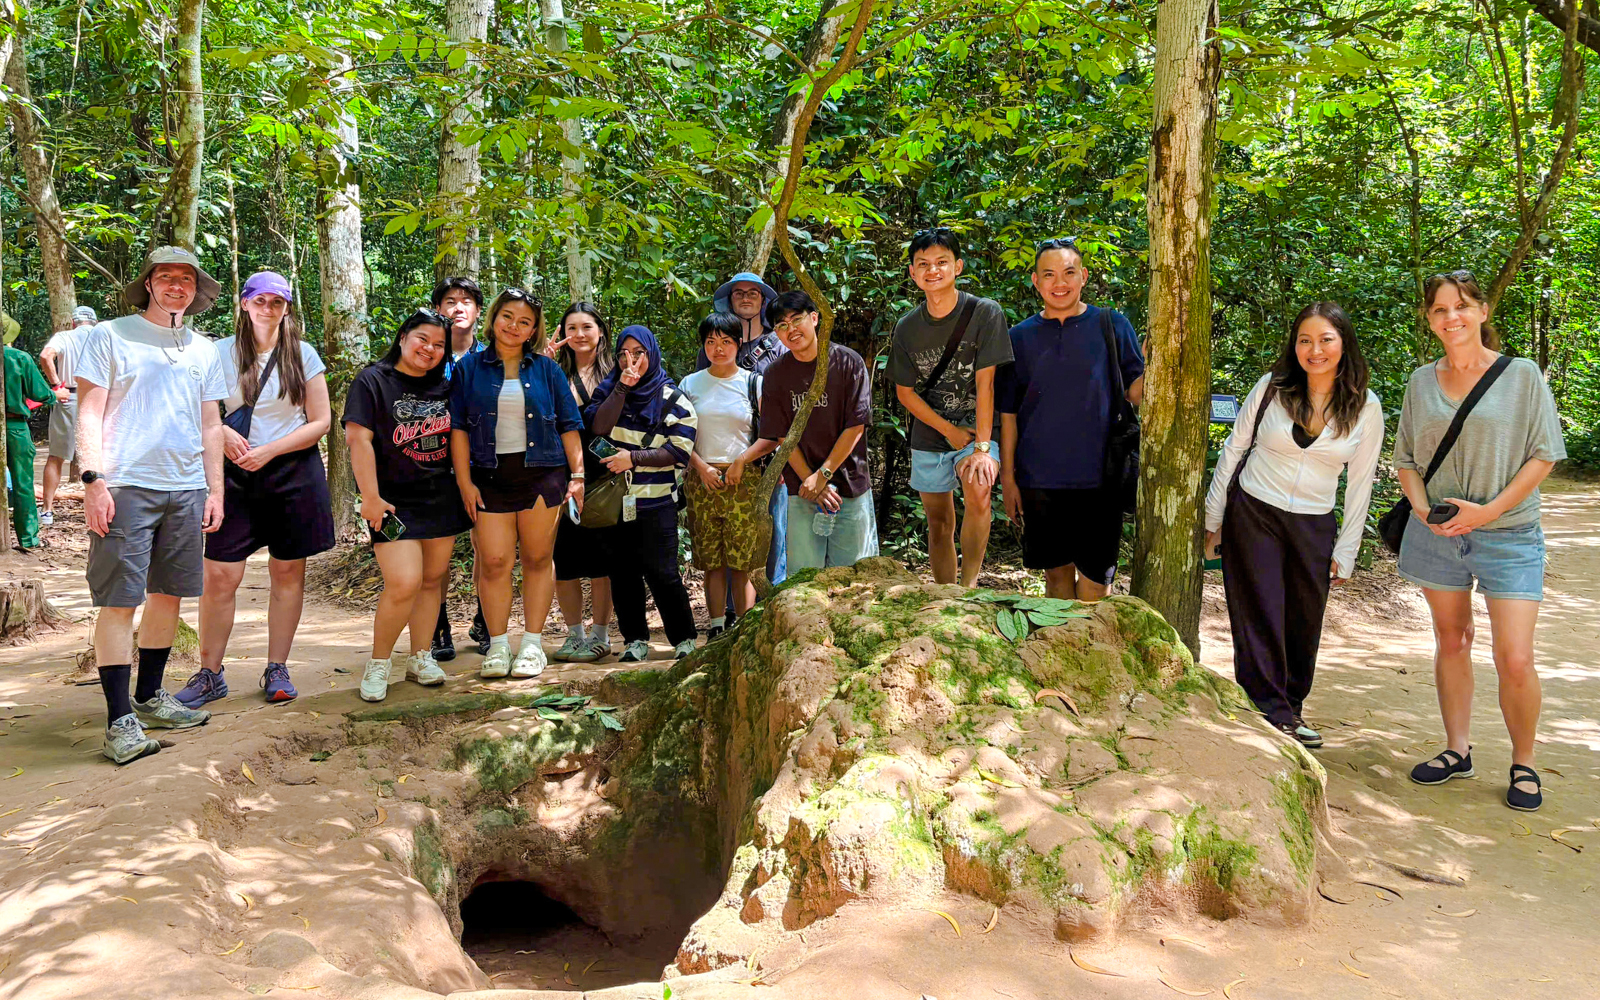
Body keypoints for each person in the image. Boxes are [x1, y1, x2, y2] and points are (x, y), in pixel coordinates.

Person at [1396, 271, 1565, 812]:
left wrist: (1491, 510)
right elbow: (1405, 461)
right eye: (1440, 309)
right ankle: (1456, 750)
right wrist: (1423, 510)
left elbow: (1544, 452)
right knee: (1452, 640)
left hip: (1509, 532)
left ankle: (1524, 762)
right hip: (1437, 533)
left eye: (1463, 306)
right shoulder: (1421, 381)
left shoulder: (1521, 375)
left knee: (1514, 656)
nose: (1452, 318)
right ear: (1429, 319)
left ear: (1483, 311)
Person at [1202, 303, 1383, 748]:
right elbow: (1233, 448)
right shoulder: (1272, 388)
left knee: (1304, 618)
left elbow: (1361, 485)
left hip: (1314, 522)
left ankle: (1291, 705)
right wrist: (1214, 518)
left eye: (1326, 340)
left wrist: (1347, 550)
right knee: (1258, 610)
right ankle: (1271, 710)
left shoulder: (1365, 406)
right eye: (1305, 340)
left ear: (1344, 345)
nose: (1315, 350)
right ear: (1294, 345)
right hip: (1254, 511)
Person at [76, 246, 226, 764]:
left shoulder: (205, 350)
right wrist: (93, 481)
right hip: (125, 485)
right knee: (120, 601)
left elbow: (211, 425)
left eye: (187, 278)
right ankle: (119, 721)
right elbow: (89, 410)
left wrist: (216, 490)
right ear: (148, 284)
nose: (177, 285)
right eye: (166, 277)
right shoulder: (109, 335)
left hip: (186, 488)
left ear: (197, 290)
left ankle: (150, 697)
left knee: (169, 595)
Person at [180, 271, 335, 708]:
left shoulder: (302, 355)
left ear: (287, 308)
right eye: (261, 300)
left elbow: (320, 421)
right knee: (221, 575)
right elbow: (197, 409)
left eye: (278, 302)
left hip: (291, 471)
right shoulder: (215, 353)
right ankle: (210, 673)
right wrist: (225, 437)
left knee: (287, 572)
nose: (269, 308)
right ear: (244, 304)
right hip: (230, 475)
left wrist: (270, 451)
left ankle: (277, 667)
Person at [998, 238, 1144, 601]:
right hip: (1040, 479)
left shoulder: (1112, 325)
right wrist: (1008, 478)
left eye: (1068, 272)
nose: (1059, 282)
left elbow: (1137, 391)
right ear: (1035, 281)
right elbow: (1009, 415)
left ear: (1083, 276)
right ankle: (1059, 655)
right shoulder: (1018, 338)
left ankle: (1095, 657)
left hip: (1101, 479)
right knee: (1056, 579)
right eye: (1049, 274)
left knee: (1097, 582)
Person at [451, 289, 585, 679]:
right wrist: (464, 483)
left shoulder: (547, 370)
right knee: (493, 562)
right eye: (507, 317)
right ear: (493, 318)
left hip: (542, 474)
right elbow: (458, 429)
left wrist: (577, 476)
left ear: (533, 331)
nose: (514, 326)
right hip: (488, 477)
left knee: (538, 559)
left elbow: (569, 424)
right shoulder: (469, 369)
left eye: (524, 322)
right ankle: (496, 646)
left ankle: (531, 644)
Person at [343, 309, 471, 702]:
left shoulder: (446, 386)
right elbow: (358, 440)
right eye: (423, 340)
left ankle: (420, 656)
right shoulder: (372, 381)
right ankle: (379, 663)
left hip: (439, 498)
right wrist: (370, 496)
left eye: (439, 345)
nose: (430, 350)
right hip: (392, 503)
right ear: (402, 337)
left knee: (434, 581)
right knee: (404, 582)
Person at [889, 228, 1011, 586]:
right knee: (938, 520)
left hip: (978, 427)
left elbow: (987, 383)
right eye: (923, 264)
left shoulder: (985, 313)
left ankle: (969, 586)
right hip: (932, 432)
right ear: (912, 272)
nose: (933, 270)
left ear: (957, 266)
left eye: (942, 262)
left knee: (979, 488)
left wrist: (983, 449)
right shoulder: (907, 328)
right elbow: (905, 393)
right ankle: (944, 594)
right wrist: (948, 431)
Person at [583, 325, 698, 662]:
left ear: (652, 354)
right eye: (623, 354)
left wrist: (632, 457)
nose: (629, 360)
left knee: (662, 572)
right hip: (616, 503)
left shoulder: (673, 399)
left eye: (638, 353)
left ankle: (684, 638)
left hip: (657, 501)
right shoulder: (608, 390)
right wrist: (622, 387)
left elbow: (680, 452)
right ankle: (635, 639)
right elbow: (597, 428)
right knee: (622, 573)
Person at [753, 290, 878, 571]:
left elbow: (855, 425)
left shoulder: (848, 362)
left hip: (849, 484)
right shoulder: (775, 374)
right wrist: (810, 480)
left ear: (814, 318)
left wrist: (823, 475)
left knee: (853, 576)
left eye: (796, 319)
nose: (791, 330)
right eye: (782, 325)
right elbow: (783, 435)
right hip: (802, 490)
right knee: (805, 577)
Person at [681, 312, 768, 640]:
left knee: (741, 559)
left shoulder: (752, 382)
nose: (719, 348)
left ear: (738, 343)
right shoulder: (690, 384)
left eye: (726, 341)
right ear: (704, 345)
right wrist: (700, 467)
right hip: (701, 479)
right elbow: (677, 435)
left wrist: (741, 462)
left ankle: (742, 630)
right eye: (711, 342)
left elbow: (771, 434)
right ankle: (716, 627)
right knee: (711, 560)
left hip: (743, 480)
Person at [704, 271, 788, 602]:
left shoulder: (779, 346)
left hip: (769, 457)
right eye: (739, 293)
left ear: (764, 301)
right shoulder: (715, 342)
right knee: (726, 537)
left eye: (754, 292)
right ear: (730, 300)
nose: (746, 297)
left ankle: (772, 602)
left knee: (772, 531)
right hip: (721, 460)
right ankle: (729, 612)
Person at [548, 302, 616, 663]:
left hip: (606, 475)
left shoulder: (617, 373)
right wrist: (540, 362)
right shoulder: (552, 372)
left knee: (603, 558)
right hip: (562, 475)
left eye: (586, 327)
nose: (579, 335)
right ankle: (574, 634)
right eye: (571, 328)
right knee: (566, 557)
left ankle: (601, 634)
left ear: (600, 331)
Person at [430, 275, 486, 662]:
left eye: (466, 301)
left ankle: (486, 620)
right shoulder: (426, 355)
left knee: (489, 549)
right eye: (450, 301)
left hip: (484, 463)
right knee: (437, 555)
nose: (458, 307)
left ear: (479, 312)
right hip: (433, 466)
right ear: (439, 310)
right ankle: (438, 627)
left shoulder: (492, 357)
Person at [38, 305, 99, 527]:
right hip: (99, 398)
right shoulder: (103, 335)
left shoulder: (65, 336)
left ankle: (47, 511)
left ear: (73, 322)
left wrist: (56, 385)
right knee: (101, 454)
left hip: (68, 397)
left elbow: (46, 356)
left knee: (56, 456)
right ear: (94, 322)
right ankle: (101, 507)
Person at [5, 335, 55, 549]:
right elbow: (40, 393)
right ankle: (28, 539)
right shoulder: (18, 358)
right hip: (15, 427)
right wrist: (54, 394)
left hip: (14, 425)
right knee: (22, 483)